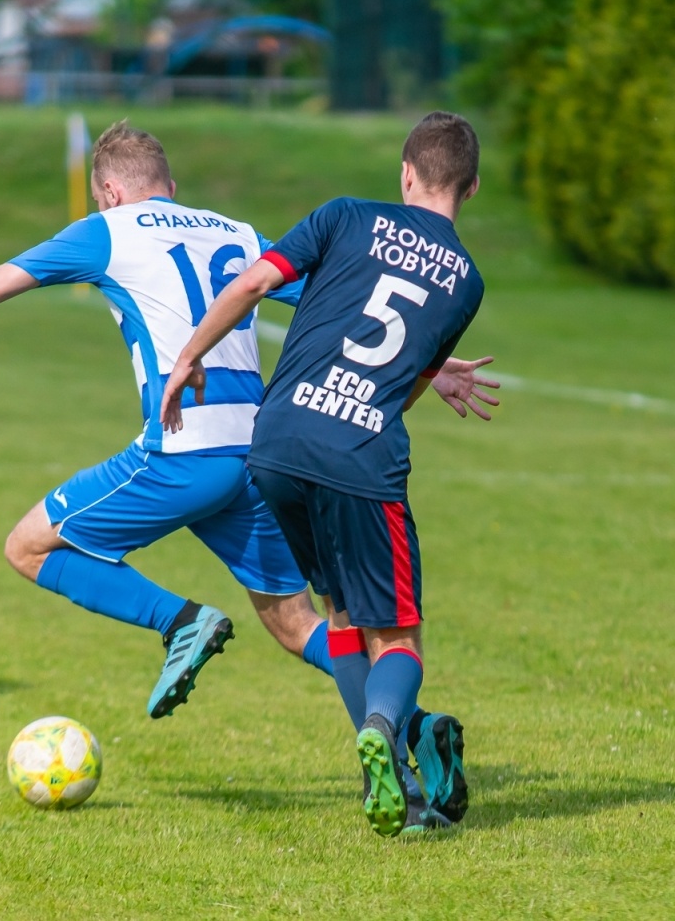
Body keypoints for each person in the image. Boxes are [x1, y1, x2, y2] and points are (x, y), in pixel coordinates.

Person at [0, 122, 496, 760]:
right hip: (259, 453)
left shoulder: (107, 230)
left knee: (26, 547)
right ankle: (406, 727)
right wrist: (429, 368)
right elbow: (347, 296)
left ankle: (179, 621)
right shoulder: (234, 231)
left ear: (110, 192)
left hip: (185, 449)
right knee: (296, 623)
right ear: (170, 188)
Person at [162, 111, 487, 837]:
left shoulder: (344, 215)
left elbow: (253, 283)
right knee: (397, 637)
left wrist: (189, 357)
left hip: (277, 442)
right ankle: (382, 727)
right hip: (360, 454)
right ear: (471, 187)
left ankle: (399, 789)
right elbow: (407, 385)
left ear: (406, 171)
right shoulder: (466, 281)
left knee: (340, 614)